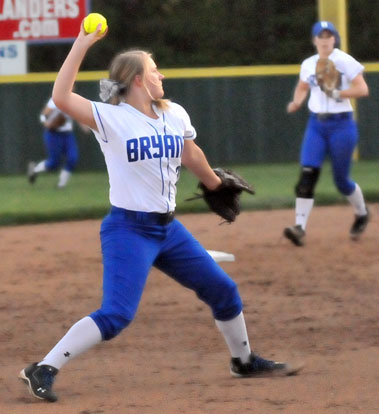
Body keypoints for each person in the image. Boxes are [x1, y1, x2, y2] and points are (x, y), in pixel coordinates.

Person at [19, 23, 301, 403]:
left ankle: (243, 360)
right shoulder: (109, 118)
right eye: (155, 70)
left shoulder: (174, 114)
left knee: (223, 290)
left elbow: (191, 154)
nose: (161, 75)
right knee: (117, 314)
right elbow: (61, 95)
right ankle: (45, 367)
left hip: (168, 231)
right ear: (137, 80)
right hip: (127, 230)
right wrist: (83, 42)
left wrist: (216, 185)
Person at [284, 21, 370, 247]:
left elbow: (362, 89)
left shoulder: (344, 60)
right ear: (314, 40)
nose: (324, 39)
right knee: (307, 175)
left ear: (334, 39)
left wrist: (339, 93)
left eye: (328, 36)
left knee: (342, 181)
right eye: (320, 36)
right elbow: (303, 87)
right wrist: (296, 102)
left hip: (342, 126)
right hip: (316, 125)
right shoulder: (308, 64)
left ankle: (362, 213)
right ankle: (299, 228)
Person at [27, 97, 79, 188]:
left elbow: (78, 115)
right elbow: (43, 115)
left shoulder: (73, 99)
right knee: (54, 163)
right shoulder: (56, 100)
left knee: (72, 158)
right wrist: (45, 123)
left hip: (67, 134)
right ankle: (35, 169)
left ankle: (61, 185)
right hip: (54, 134)